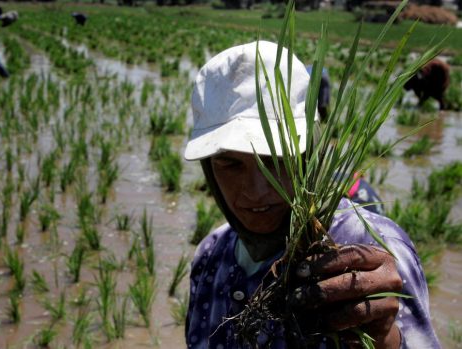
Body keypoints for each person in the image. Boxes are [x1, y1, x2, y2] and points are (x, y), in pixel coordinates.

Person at [184, 41, 440, 348]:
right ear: (209, 170)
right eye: (229, 164)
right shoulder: (211, 255)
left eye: (277, 161)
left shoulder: (367, 251)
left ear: (309, 155)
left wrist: (385, 339)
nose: (256, 191)